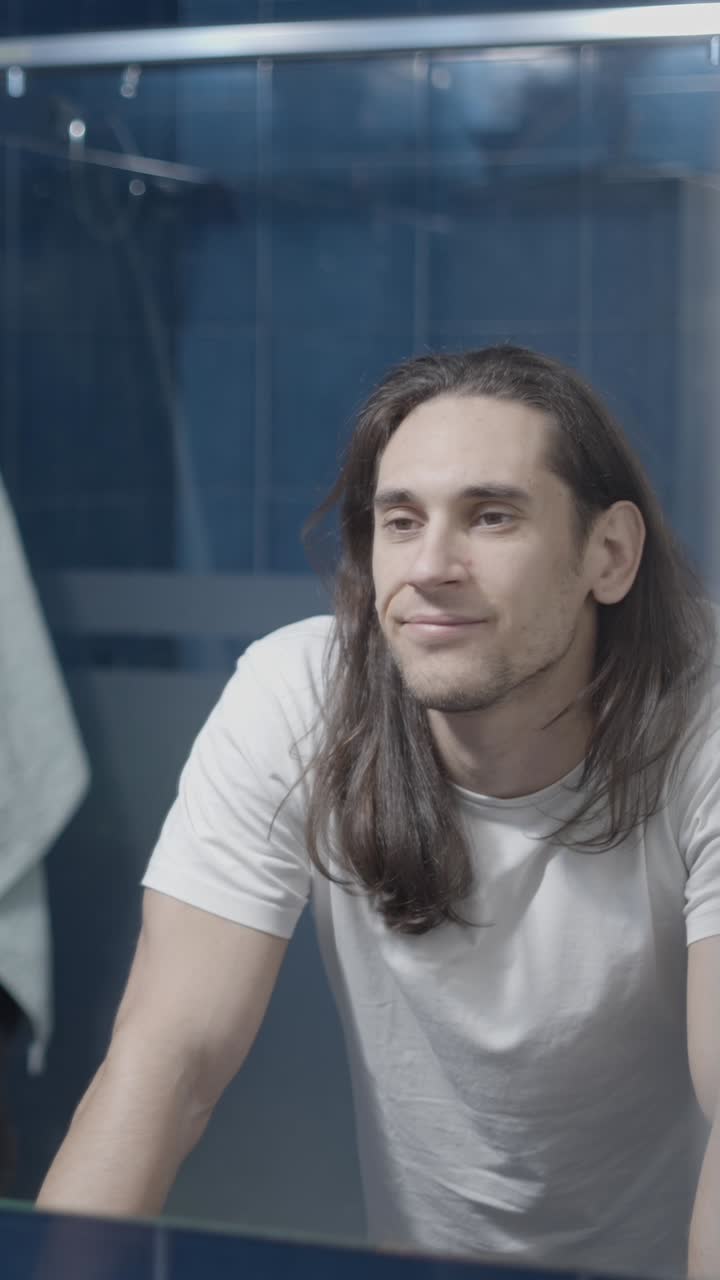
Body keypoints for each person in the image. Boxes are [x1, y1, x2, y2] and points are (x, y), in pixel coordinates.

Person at [37, 346, 720, 1279]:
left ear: (609, 554)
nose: (432, 566)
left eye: (491, 516)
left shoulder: (706, 714)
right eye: (401, 521)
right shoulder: (299, 696)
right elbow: (166, 1063)